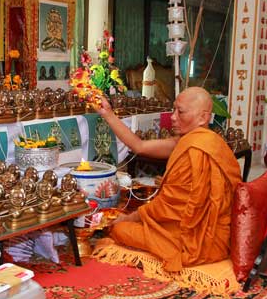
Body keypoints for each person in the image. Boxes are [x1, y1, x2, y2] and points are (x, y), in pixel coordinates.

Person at [97, 87, 241, 271]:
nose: (173, 117)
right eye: (174, 110)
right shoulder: (197, 142)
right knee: (128, 223)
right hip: (217, 237)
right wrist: (107, 113)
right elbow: (139, 146)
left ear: (203, 118)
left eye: (180, 112)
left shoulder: (198, 149)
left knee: (119, 229)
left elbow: (166, 207)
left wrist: (130, 218)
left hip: (190, 239)